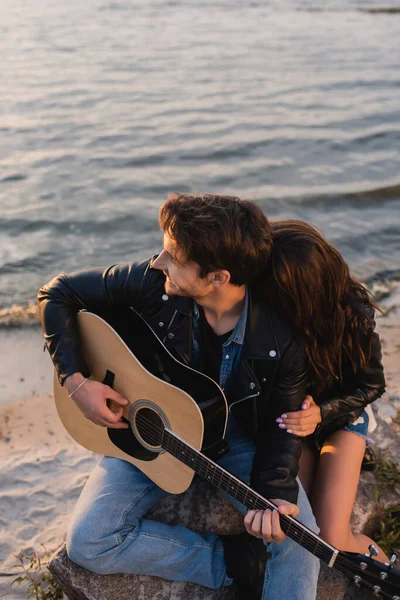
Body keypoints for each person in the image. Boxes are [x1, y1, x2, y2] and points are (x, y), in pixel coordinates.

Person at [38, 193, 320, 600]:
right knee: (88, 542)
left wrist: (275, 497)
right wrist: (76, 382)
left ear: (217, 278)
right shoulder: (154, 284)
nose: (158, 261)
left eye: (173, 256)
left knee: (299, 540)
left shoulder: (281, 336)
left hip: (230, 439)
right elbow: (56, 293)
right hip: (149, 429)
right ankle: (233, 564)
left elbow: (282, 425)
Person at [262, 219, 388, 562]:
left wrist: (324, 412)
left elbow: (372, 385)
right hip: (294, 426)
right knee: (303, 530)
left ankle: (388, 569)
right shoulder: (267, 319)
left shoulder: (355, 318)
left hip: (341, 418)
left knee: (333, 537)